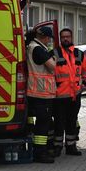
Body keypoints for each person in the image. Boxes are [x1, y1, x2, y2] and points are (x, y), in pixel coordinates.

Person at [52, 28, 86, 156]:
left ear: (72, 37)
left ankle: (71, 146)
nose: (66, 39)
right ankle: (57, 147)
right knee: (58, 122)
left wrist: (84, 83)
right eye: (63, 37)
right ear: (60, 38)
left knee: (72, 121)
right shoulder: (54, 53)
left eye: (68, 36)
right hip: (59, 96)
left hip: (75, 95)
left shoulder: (79, 54)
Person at [26, 26, 57, 163]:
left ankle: (40, 150)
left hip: (35, 91)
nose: (50, 41)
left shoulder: (32, 46)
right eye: (49, 38)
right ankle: (40, 153)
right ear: (45, 37)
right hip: (41, 92)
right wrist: (54, 56)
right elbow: (53, 67)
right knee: (42, 124)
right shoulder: (38, 49)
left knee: (42, 123)